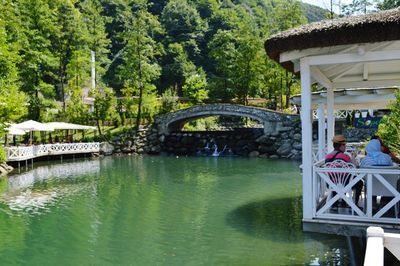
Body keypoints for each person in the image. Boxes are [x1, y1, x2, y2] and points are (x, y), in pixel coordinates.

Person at [325, 135, 363, 205]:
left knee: (339, 177)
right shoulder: (345, 156)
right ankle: (354, 204)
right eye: (345, 145)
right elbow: (355, 167)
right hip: (345, 183)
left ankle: (336, 202)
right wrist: (353, 157)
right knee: (359, 182)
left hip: (330, 183)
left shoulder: (327, 156)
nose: (345, 146)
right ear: (341, 146)